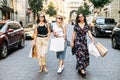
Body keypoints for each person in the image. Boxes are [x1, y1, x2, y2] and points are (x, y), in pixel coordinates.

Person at [71, 13, 95, 78]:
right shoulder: (76, 25)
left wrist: (92, 40)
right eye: (79, 17)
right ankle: (82, 70)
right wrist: (72, 42)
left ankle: (80, 67)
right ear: (78, 18)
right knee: (79, 55)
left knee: (84, 55)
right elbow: (73, 34)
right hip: (78, 42)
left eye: (82, 16)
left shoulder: (87, 25)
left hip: (84, 42)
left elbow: (89, 33)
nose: (81, 17)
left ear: (84, 17)